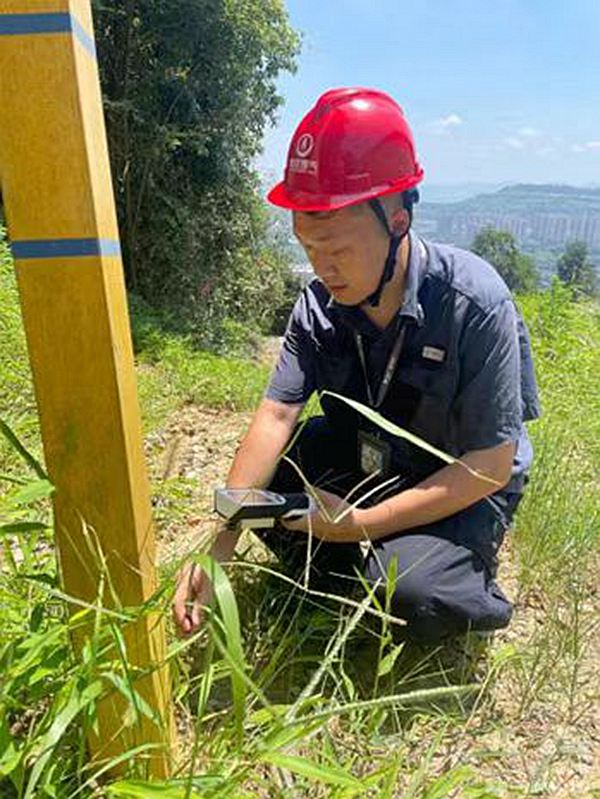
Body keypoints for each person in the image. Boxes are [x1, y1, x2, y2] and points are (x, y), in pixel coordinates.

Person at [173, 87, 540, 644]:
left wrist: (360, 525)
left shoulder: (473, 303)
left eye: (338, 250)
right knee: (275, 484)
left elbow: (489, 464)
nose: (322, 269)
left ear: (396, 222)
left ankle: (445, 569)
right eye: (308, 249)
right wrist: (221, 540)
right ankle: (353, 564)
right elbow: (276, 415)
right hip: (373, 456)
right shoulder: (319, 305)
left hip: (454, 479)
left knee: (411, 596)